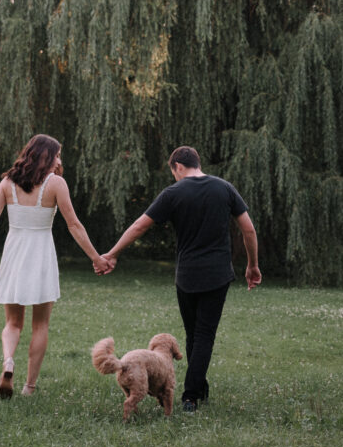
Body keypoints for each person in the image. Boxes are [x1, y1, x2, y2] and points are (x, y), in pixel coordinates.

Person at [97, 145, 261, 412]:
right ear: (197, 163)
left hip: (187, 275)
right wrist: (253, 265)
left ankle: (196, 390)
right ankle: (192, 395)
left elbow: (140, 225)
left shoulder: (173, 193)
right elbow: (249, 230)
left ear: (178, 167)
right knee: (205, 335)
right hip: (218, 273)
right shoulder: (225, 188)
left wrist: (113, 254)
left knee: (193, 334)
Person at [0, 134, 111, 397]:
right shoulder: (56, 184)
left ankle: (8, 362)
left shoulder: (7, 182)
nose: (60, 160)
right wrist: (96, 258)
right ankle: (29, 387)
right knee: (41, 325)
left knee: (13, 323)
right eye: (57, 155)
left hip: (14, 252)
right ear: (47, 156)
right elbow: (74, 225)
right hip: (40, 255)